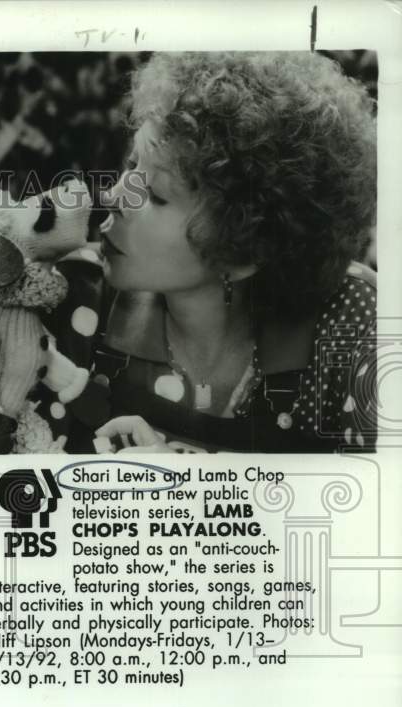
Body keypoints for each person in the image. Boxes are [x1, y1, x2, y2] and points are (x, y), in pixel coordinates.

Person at [56, 51, 377, 453]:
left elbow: (378, 505)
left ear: (243, 250)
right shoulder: (74, 293)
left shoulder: (355, 318)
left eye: (155, 195)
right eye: (132, 165)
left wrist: (191, 486)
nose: (113, 195)